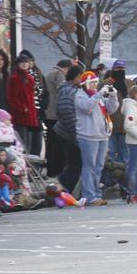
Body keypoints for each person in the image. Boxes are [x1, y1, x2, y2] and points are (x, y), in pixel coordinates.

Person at [74, 70, 119, 206]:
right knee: (89, 166)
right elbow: (87, 107)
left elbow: (111, 109)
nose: (94, 86)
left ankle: (96, 193)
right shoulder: (80, 95)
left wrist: (113, 96)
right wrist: (99, 94)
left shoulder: (97, 96)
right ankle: (89, 195)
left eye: (95, 83)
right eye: (92, 83)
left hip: (102, 135)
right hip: (88, 136)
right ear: (85, 84)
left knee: (99, 166)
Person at [53, 65, 84, 193]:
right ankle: (62, 186)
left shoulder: (73, 90)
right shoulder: (68, 91)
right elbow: (67, 113)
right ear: (76, 77)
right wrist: (76, 134)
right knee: (75, 164)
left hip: (70, 132)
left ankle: (65, 188)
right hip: (68, 133)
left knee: (76, 164)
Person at [43, 58, 73, 178]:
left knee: (50, 143)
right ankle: (56, 170)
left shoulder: (49, 73)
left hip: (48, 113)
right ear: (66, 68)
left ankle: (51, 169)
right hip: (55, 114)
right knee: (57, 145)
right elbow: (62, 91)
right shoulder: (59, 75)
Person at [6, 50, 39, 156]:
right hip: (21, 115)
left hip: (29, 114)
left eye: (26, 62)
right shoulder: (15, 78)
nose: (25, 64)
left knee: (27, 143)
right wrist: (22, 108)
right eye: (22, 62)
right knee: (21, 142)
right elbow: (12, 98)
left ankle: (26, 166)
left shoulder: (29, 77)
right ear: (18, 64)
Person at [105, 60, 129, 167]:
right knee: (111, 155)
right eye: (118, 69)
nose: (121, 71)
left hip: (125, 125)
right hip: (111, 125)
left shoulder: (128, 83)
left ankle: (124, 179)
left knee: (125, 156)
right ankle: (110, 180)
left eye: (122, 69)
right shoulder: (106, 85)